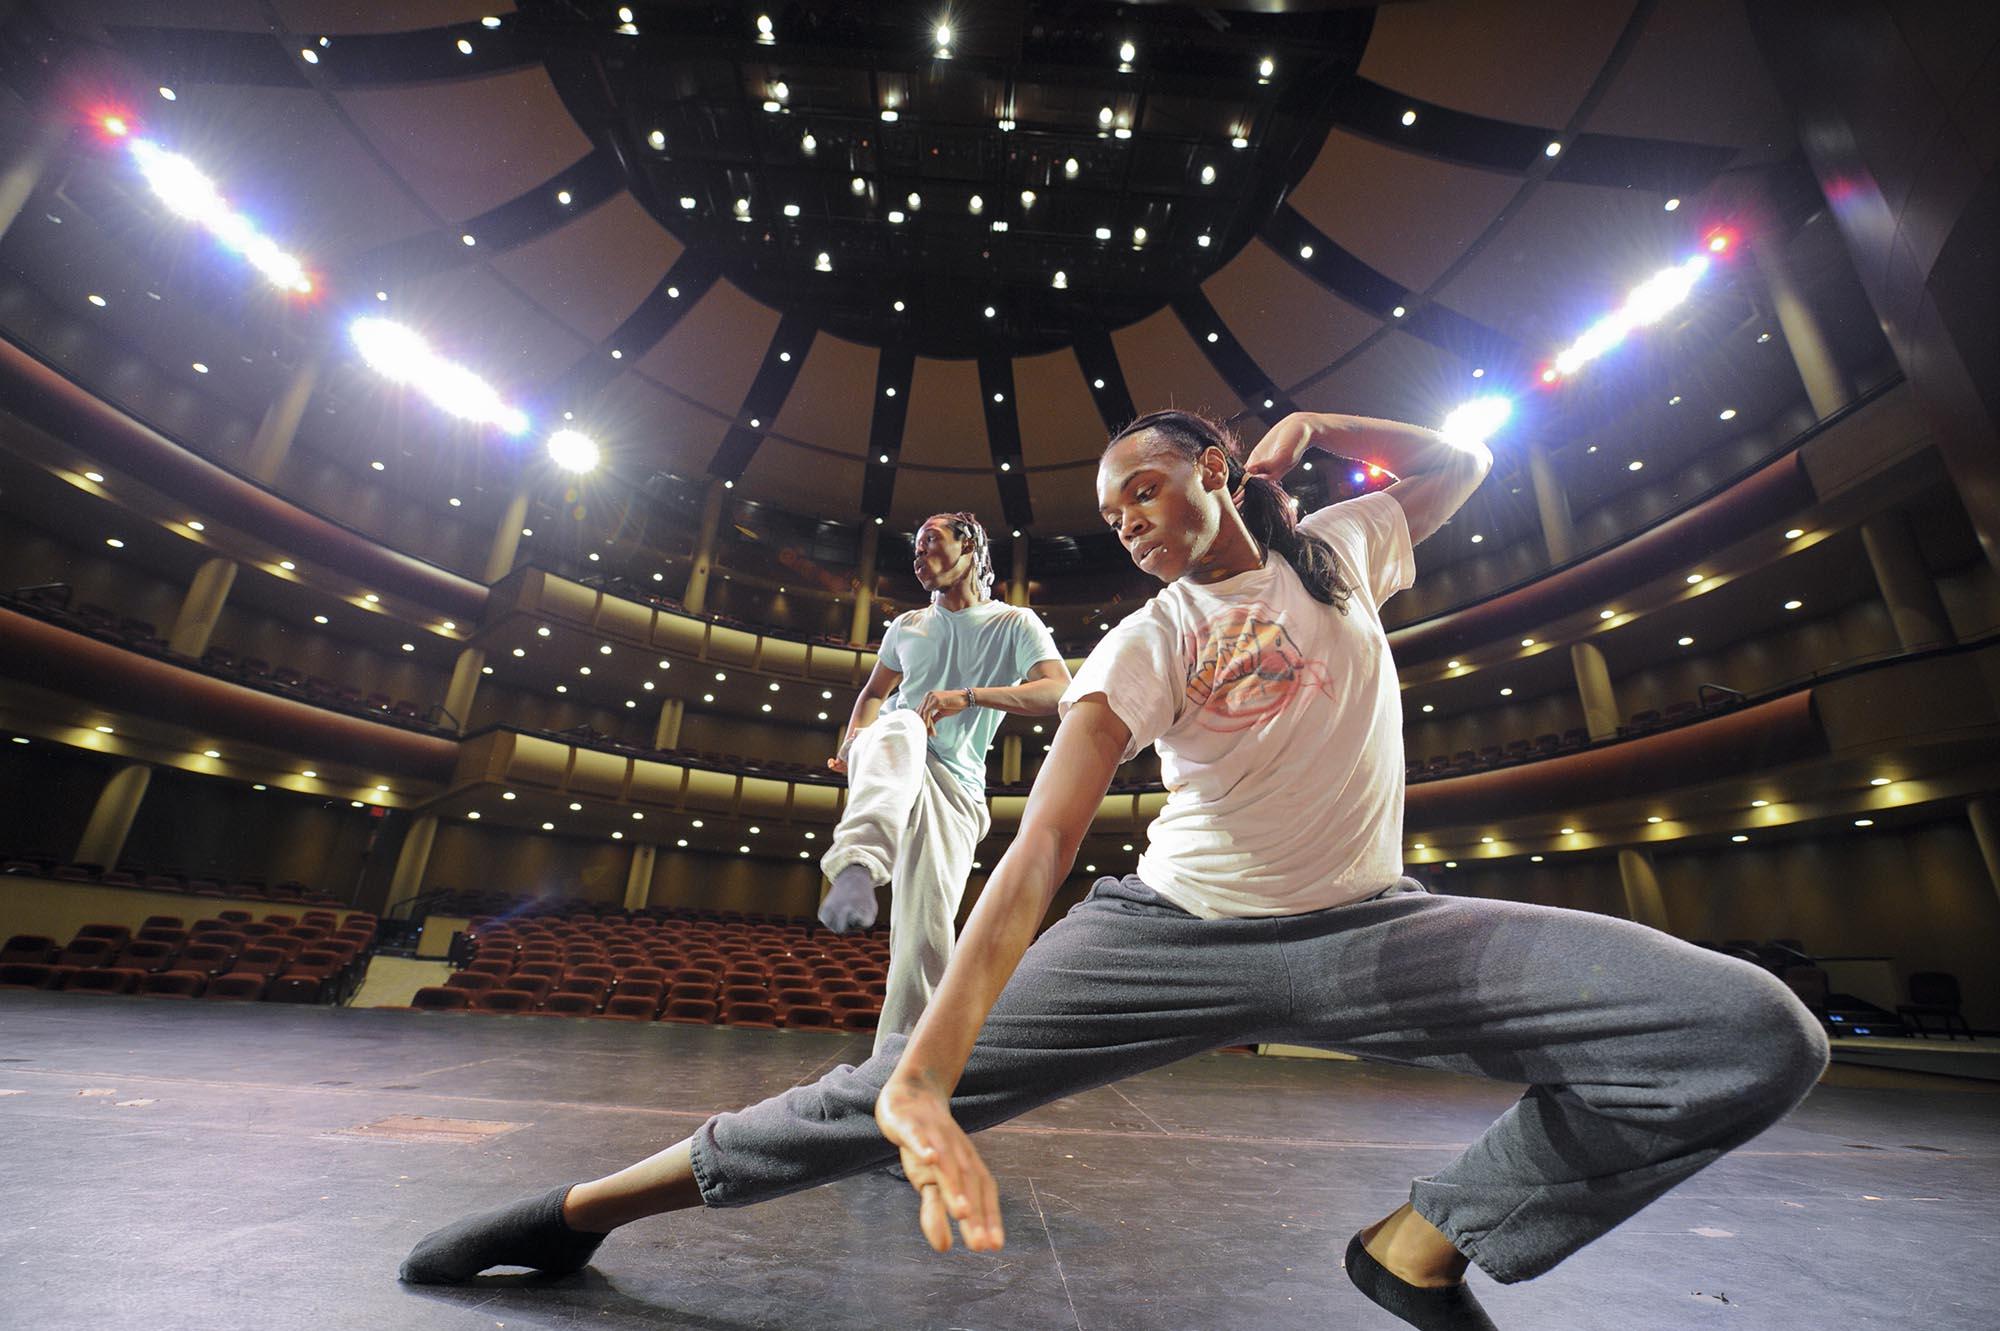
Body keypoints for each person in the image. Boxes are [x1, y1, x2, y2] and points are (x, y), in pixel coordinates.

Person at [401, 409, 1828, 1331]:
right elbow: (1040, 852)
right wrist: (922, 1074)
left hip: (1377, 926)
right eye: (1115, 509)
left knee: (1756, 1033)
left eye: (1150, 487)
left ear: (1221, 471)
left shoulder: (1340, 551)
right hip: (1174, 933)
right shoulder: (1147, 640)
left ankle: (1424, 1239)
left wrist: (1324, 427)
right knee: (866, 1104)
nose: (1132, 520)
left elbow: (1465, 466)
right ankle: (571, 1213)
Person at [816, 509, 1070, 1056]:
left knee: (926, 940)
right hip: (894, 753)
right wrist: (851, 739)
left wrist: (971, 695)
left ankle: (898, 1073)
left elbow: (1056, 692)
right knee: (902, 721)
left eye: (931, 540)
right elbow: (873, 697)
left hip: (956, 788)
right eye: (915, 546)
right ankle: (858, 862)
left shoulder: (1014, 624)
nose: (918, 554)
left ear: (971, 546)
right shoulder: (906, 625)